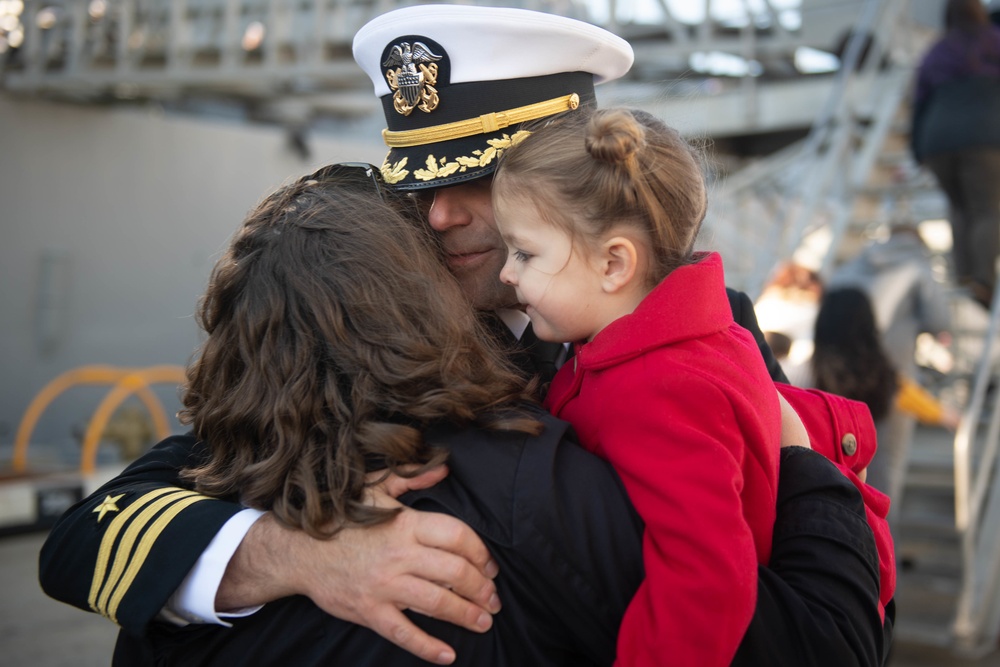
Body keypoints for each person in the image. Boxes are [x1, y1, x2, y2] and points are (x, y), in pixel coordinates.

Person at [39, 5, 893, 666]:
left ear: (568, 171)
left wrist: (807, 465)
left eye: (476, 181)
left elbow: (788, 604)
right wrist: (292, 555)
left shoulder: (703, 329)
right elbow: (93, 531)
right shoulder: (385, 335)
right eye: (417, 185)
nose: (439, 217)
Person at [491, 107, 783, 665]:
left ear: (613, 264)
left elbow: (708, 577)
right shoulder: (674, 346)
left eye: (525, 253)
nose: (508, 272)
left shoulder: (656, 390)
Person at [828, 223, 953, 505]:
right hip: (893, 377)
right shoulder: (917, 266)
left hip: (839, 372)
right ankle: (882, 544)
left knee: (839, 458)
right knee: (885, 468)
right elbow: (940, 321)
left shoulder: (854, 264)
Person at [809, 287, 958, 511]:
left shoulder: (806, 374)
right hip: (870, 490)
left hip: (814, 488)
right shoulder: (882, 377)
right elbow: (911, 396)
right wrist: (947, 416)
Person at [910, 0, 1000, 310]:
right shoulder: (993, 42)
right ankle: (983, 280)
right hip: (984, 136)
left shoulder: (936, 51)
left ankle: (964, 279)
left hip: (937, 140)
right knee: (987, 209)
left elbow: (919, 101)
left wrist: (917, 148)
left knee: (960, 209)